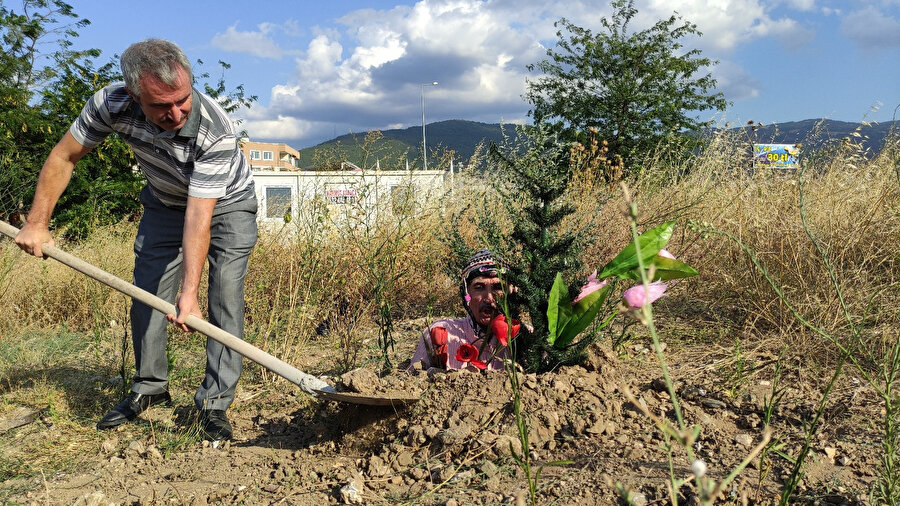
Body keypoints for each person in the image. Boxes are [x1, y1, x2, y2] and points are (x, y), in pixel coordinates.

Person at [14, 39, 257, 441]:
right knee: (147, 290)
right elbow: (64, 157)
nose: (177, 113)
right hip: (164, 201)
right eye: (162, 106)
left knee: (224, 294)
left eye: (182, 100)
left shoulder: (216, 130)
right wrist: (37, 223)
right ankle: (150, 388)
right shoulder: (110, 104)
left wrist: (189, 293)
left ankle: (214, 403)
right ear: (133, 94)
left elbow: (200, 214)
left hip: (226, 203)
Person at [409, 249, 514, 371]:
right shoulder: (441, 332)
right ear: (466, 295)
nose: (489, 298)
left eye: (498, 287)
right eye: (479, 287)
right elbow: (413, 378)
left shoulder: (524, 337)